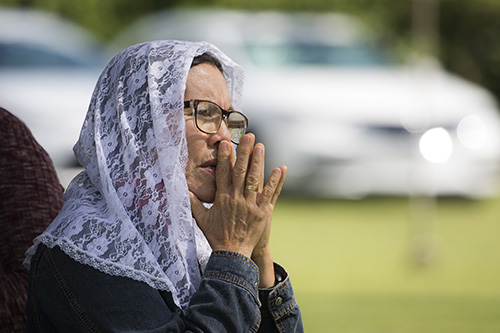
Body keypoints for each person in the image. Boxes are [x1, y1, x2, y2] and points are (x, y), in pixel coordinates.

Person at [25, 40, 303, 332]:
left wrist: (257, 254)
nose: (223, 137)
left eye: (226, 117)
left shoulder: (201, 233)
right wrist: (233, 254)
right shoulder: (89, 251)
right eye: (205, 112)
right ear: (139, 123)